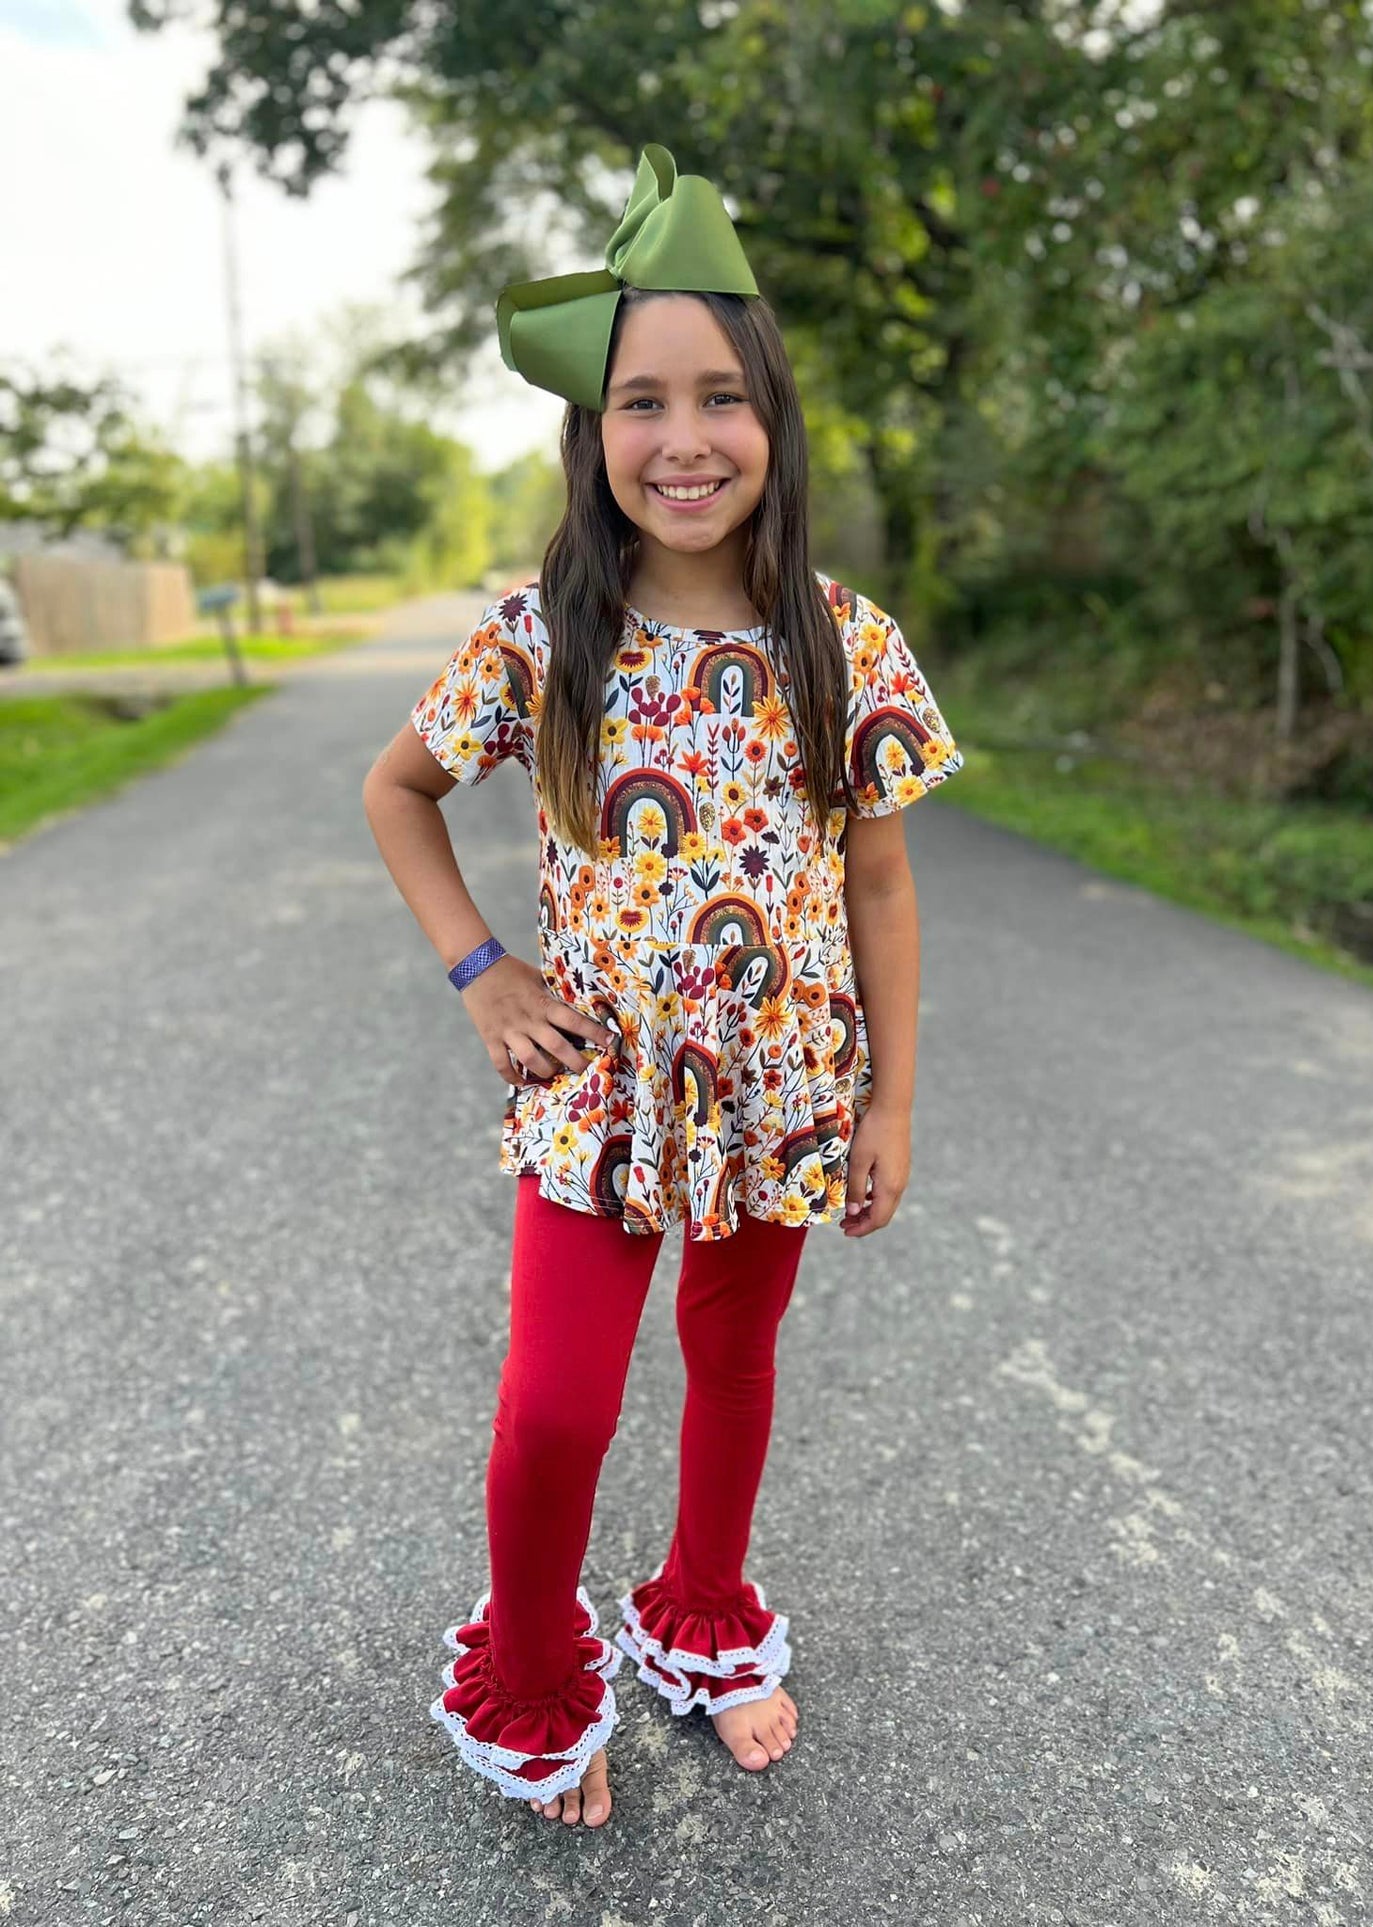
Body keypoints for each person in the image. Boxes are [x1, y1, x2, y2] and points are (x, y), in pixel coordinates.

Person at [362, 144, 966, 1831]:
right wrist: (482, 971)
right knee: (554, 1408)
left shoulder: (845, 641)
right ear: (592, 431)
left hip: (785, 1084)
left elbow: (881, 880)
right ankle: (540, 1667)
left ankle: (701, 1615)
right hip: (599, 1091)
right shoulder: (538, 635)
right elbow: (392, 794)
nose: (683, 438)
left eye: (719, 398)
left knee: (735, 1352)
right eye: (641, 400)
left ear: (770, 422)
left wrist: (892, 1104)